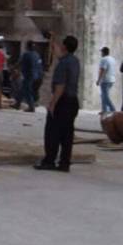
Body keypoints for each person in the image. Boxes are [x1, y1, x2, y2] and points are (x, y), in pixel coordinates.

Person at [36, 35, 81, 172]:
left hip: (63, 101)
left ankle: (49, 160)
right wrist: (53, 43)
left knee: (53, 132)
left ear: (64, 47)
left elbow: (60, 86)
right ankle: (64, 163)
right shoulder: (74, 61)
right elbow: (61, 56)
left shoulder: (63, 64)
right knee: (67, 134)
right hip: (73, 101)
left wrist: (53, 103)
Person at [15, 41, 42, 112]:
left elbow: (19, 63)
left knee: (27, 91)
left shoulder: (26, 54)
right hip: (37, 76)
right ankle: (17, 104)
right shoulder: (37, 55)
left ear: (27, 46)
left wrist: (13, 68)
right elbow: (39, 65)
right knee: (22, 89)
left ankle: (31, 107)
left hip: (29, 76)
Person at [96, 46, 117, 114]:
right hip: (112, 79)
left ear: (103, 52)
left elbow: (102, 70)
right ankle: (104, 110)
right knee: (103, 95)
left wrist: (99, 80)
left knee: (105, 96)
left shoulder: (104, 59)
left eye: (101, 52)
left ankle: (113, 109)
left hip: (106, 80)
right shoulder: (112, 59)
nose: (101, 53)